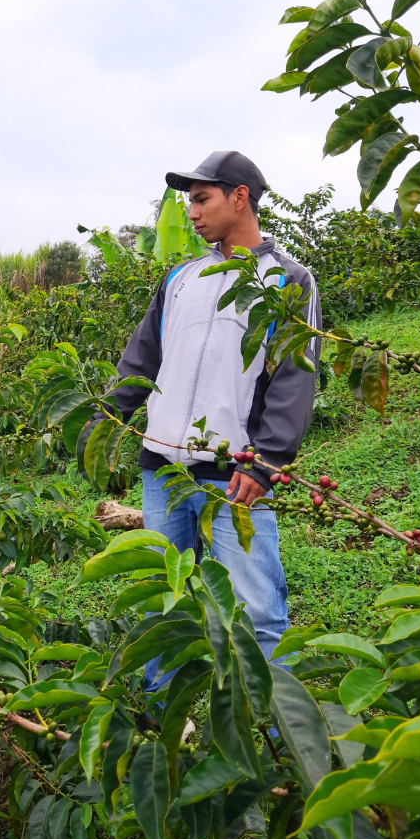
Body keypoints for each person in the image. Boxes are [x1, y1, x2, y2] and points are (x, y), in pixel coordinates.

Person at [107, 150, 321, 688]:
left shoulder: (288, 280)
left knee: (259, 613)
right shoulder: (181, 278)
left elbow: (295, 378)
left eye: (202, 199)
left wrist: (268, 460)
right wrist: (109, 416)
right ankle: (163, 728)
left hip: (236, 476)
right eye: (190, 202)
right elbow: (143, 357)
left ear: (239, 197)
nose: (193, 213)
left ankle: (281, 744)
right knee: (165, 605)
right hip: (163, 471)